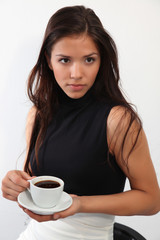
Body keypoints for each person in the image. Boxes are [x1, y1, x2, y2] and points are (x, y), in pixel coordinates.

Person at [1, 5, 160, 240]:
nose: (76, 73)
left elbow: (151, 200)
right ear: (49, 59)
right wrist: (14, 184)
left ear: (101, 60)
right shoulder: (37, 114)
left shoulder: (118, 121)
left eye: (88, 59)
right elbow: (32, 183)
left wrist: (80, 204)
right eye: (64, 60)